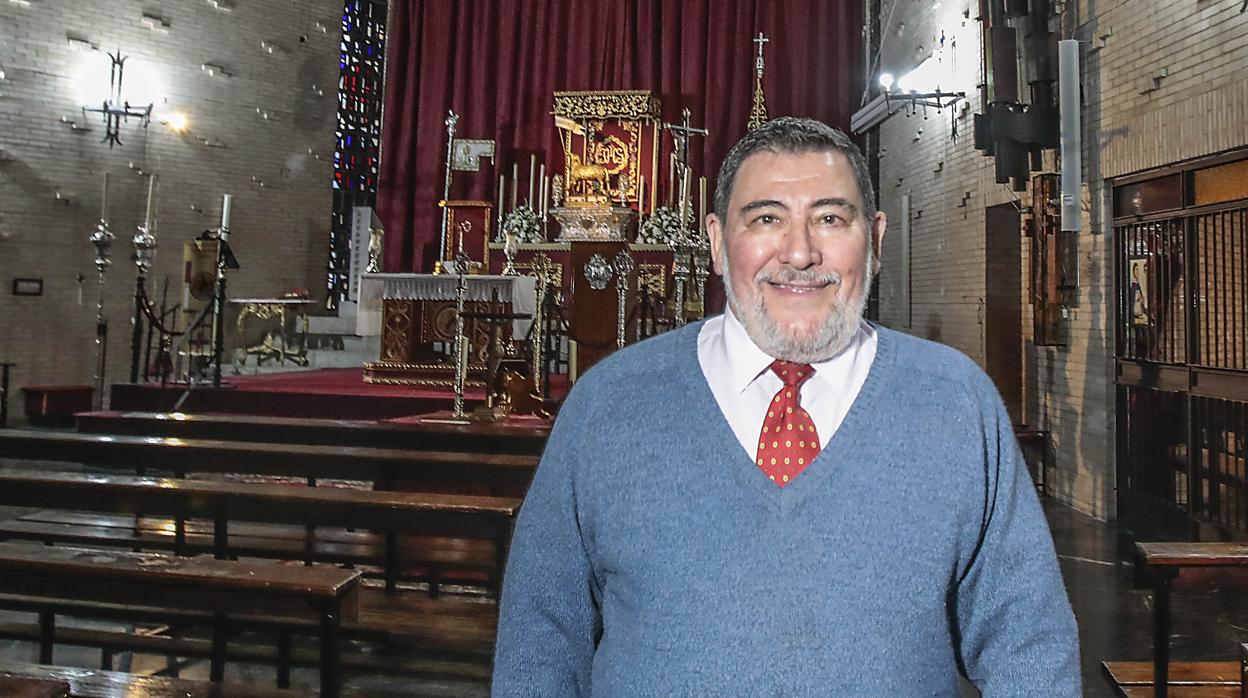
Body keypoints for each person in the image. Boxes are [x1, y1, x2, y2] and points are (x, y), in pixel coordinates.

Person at [492, 117, 1081, 695]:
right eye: (767, 219)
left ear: (874, 242)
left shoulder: (955, 403)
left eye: (829, 219)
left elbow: (1027, 643)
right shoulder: (609, 405)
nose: (799, 253)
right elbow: (541, 637)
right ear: (719, 244)